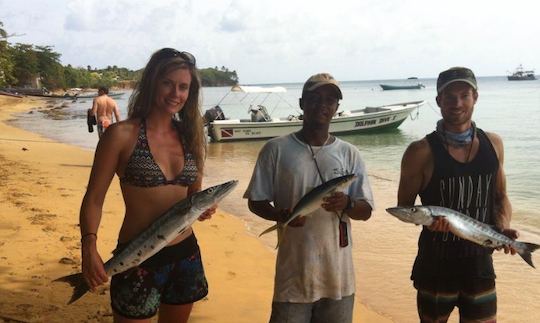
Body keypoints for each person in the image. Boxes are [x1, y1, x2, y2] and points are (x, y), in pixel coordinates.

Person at [79, 48, 214, 322]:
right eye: (168, 83)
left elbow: (193, 195)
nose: (176, 93)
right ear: (152, 82)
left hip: (186, 254)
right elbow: (94, 198)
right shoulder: (120, 135)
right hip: (136, 259)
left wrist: (205, 208)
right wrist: (88, 247)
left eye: (183, 87)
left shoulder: (192, 137)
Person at [244, 73, 374, 323]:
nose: (322, 105)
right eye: (315, 98)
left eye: (330, 100)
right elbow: (256, 200)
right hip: (293, 279)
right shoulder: (276, 149)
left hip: (339, 280)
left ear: (337, 108)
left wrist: (348, 204)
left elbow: (366, 210)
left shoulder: (350, 154)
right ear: (302, 102)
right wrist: (279, 216)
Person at [397, 66, 518, 322]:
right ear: (439, 100)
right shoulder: (420, 152)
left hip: (479, 265)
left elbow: (500, 197)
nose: (457, 103)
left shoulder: (493, 144)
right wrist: (430, 224)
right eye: (449, 96)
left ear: (475, 97)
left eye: (464, 95)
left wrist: (502, 228)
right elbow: (404, 207)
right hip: (435, 265)